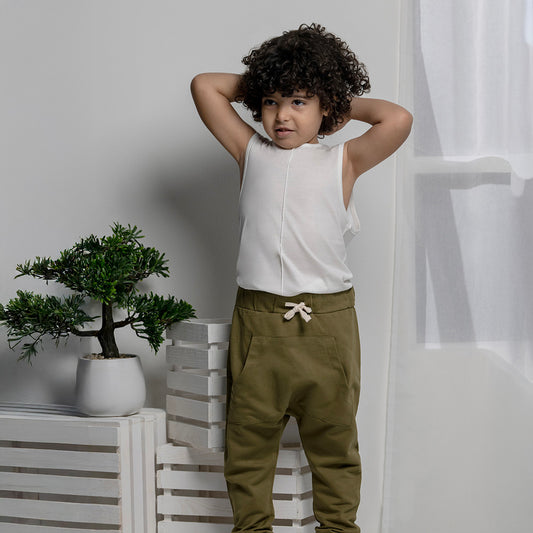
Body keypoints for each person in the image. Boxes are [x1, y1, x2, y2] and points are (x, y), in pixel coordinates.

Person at [191, 23, 412, 533]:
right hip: (259, 324)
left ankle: (337, 527)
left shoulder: (344, 161)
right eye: (270, 102)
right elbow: (205, 85)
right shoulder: (250, 152)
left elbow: (397, 118)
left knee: (335, 443)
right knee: (247, 444)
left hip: (327, 328)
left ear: (324, 106)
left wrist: (332, 100)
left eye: (297, 102)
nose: (281, 115)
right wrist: (273, 82)